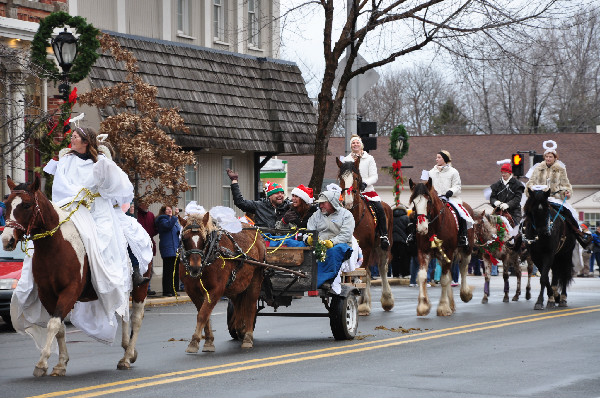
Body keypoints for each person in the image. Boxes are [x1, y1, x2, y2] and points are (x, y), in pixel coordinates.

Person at [15, 127, 151, 345]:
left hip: (98, 208)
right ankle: (34, 282)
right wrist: (74, 197)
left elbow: (115, 187)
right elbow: (60, 186)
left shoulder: (100, 162)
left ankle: (133, 273)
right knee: (43, 239)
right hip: (70, 206)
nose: (72, 139)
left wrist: (102, 177)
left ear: (86, 141)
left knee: (122, 234)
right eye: (72, 137)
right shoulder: (66, 161)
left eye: (75, 137)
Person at [525, 140, 591, 246]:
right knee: (527, 213)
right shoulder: (538, 168)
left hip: (555, 198)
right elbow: (530, 182)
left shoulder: (561, 169)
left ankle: (579, 234)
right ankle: (521, 238)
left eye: (550, 157)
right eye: (546, 156)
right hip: (539, 198)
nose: (548, 159)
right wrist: (532, 188)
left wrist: (567, 192)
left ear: (555, 158)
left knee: (569, 213)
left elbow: (566, 184)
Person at [342, 135, 389, 249]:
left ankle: (384, 235)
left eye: (357, 142)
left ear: (361, 144)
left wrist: (365, 183)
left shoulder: (369, 158)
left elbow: (374, 176)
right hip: (350, 192)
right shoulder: (346, 160)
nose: (355, 144)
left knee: (380, 208)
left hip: (367, 191)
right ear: (351, 146)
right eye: (353, 143)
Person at [306, 190, 355, 288]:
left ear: (332, 202)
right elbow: (309, 231)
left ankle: (326, 280)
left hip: (341, 246)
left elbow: (345, 235)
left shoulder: (346, 215)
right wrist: (308, 239)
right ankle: (304, 277)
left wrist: (332, 242)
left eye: (323, 203)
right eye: (320, 203)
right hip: (319, 245)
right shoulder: (316, 215)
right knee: (301, 248)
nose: (320, 206)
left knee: (333, 251)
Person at [428, 150, 473, 247]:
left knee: (460, 212)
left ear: (445, 159)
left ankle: (463, 236)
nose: (436, 159)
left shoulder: (454, 171)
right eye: (436, 157)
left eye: (439, 157)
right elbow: (427, 186)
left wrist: (451, 191)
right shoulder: (431, 172)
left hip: (450, 198)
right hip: (436, 199)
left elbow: (457, 186)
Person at [156, 205, 182, 297]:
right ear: (163, 211)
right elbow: (168, 226)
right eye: (167, 209)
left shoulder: (174, 221)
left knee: (175, 271)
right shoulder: (162, 220)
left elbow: (177, 231)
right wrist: (175, 216)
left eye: (170, 209)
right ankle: (167, 291)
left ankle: (174, 289)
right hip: (167, 248)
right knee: (168, 270)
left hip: (175, 248)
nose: (170, 210)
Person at [490, 162, 524, 226]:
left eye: (505, 172)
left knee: (516, 229)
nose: (503, 174)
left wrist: (508, 205)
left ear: (510, 173)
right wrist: (496, 202)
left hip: (514, 213)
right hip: (498, 212)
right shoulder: (497, 185)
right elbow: (492, 198)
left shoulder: (517, 185)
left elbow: (517, 199)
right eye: (502, 172)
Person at [137, 201, 158, 295]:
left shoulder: (151, 215)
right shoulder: (136, 215)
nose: (146, 206)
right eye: (144, 204)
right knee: (141, 267)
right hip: (139, 245)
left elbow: (154, 229)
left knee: (149, 268)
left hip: (149, 244)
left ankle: (147, 287)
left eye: (147, 204)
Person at [390, 206, 410, 278]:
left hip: (393, 241)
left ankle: (395, 274)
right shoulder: (406, 218)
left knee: (394, 258)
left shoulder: (391, 218)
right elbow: (408, 230)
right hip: (403, 241)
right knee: (404, 258)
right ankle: (405, 273)